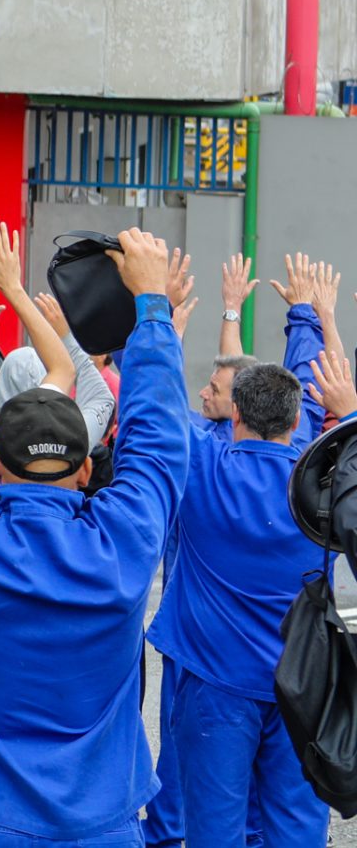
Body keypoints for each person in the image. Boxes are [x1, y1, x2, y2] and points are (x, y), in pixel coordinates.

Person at [0, 207, 191, 846]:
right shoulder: (123, 541)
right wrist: (152, 310)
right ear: (86, 471)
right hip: (100, 822)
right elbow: (160, 438)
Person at [147, 253, 341, 848]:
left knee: (214, 829)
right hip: (302, 687)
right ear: (294, 423)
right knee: (294, 828)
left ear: (233, 413)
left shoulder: (202, 468)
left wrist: (159, 324)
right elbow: (312, 393)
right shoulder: (322, 486)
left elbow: (155, 410)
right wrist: (307, 316)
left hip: (215, 685)